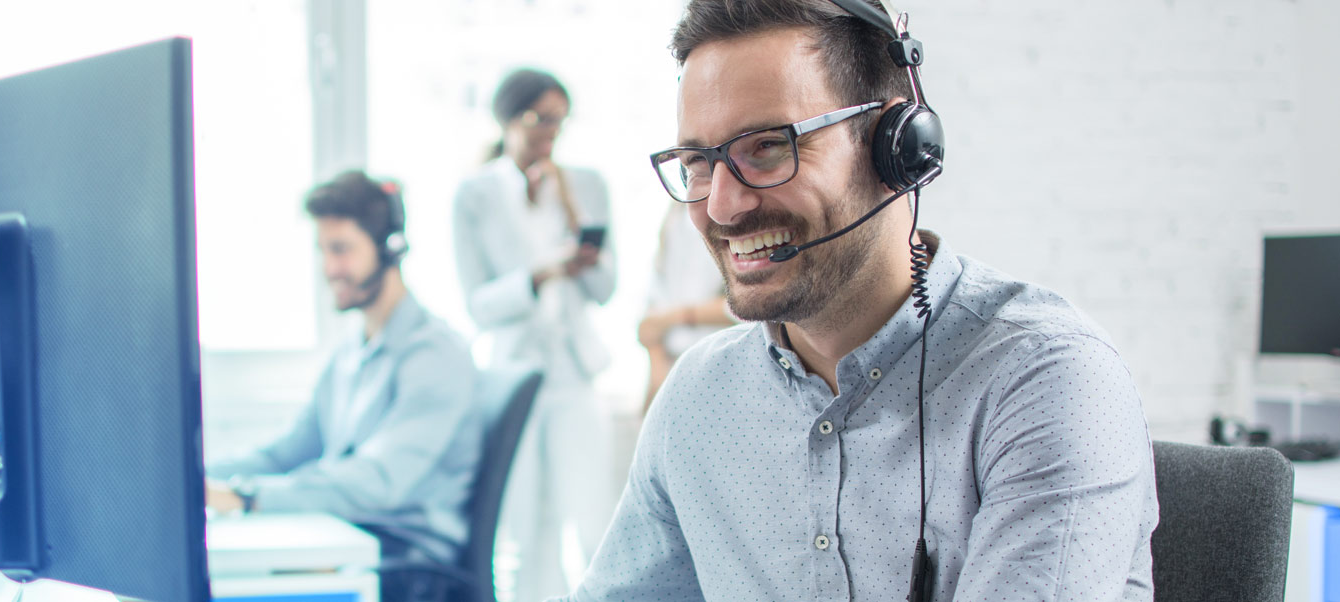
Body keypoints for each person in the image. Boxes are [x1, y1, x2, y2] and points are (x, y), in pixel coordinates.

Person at [561, 1, 1158, 600]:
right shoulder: (699, 399)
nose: (720, 206)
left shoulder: (1047, 379)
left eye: (768, 147)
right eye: (697, 162)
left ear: (896, 149)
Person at [204, 171, 479, 601]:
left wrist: (243, 496)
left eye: (342, 250)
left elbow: (377, 481)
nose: (329, 268)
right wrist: (197, 480)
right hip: (350, 539)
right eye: (323, 250)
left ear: (391, 248)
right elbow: (287, 453)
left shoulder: (434, 356)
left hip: (408, 566)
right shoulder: (351, 351)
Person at [452, 68, 617, 602]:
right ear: (508, 119)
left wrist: (574, 222)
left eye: (559, 121)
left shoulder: (585, 184)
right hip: (513, 377)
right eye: (541, 119)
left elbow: (605, 287)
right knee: (525, 532)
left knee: (595, 524)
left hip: (574, 376)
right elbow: (479, 306)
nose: (552, 132)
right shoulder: (474, 195)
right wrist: (541, 272)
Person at [638, 201, 733, 410]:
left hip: (723, 367)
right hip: (673, 365)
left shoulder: (730, 211)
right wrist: (657, 373)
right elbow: (651, 319)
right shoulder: (674, 213)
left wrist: (677, 317)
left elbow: (744, 306)